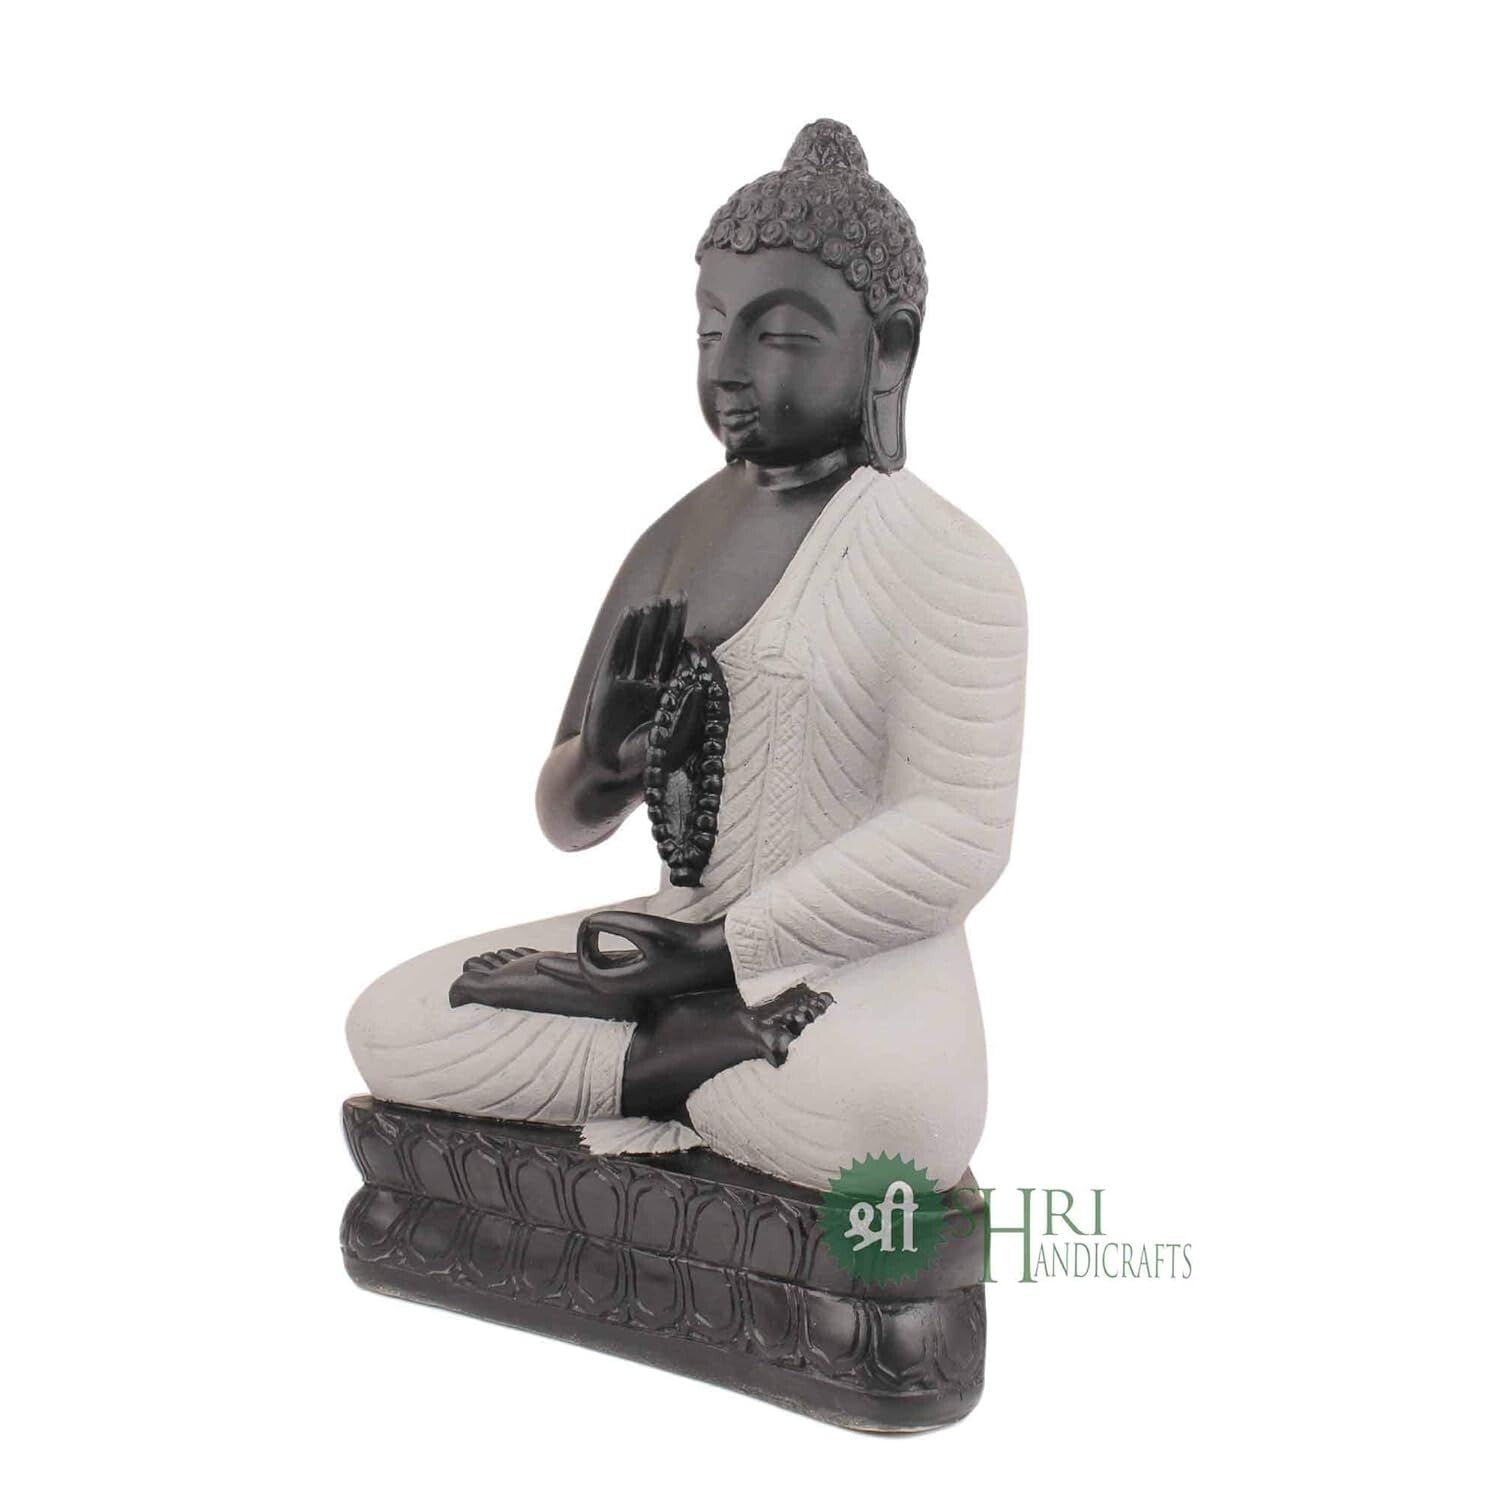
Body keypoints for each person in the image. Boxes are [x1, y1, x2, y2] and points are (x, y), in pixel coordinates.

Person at [346, 121, 1026, 1190]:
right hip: (669, 949)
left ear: (889, 349)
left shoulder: (948, 560)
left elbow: (957, 835)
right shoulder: (674, 541)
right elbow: (563, 816)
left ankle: (657, 1062)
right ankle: (687, 1057)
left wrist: (723, 953)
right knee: (392, 1023)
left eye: (779, 336)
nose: (731, 371)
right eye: (712, 330)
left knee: (895, 1122)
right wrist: (605, 766)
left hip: (858, 971)